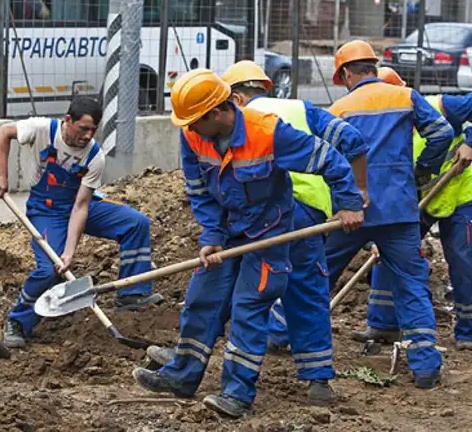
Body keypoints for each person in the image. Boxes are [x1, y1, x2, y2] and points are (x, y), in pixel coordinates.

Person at [133, 69, 364, 418]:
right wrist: (211, 236)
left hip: (271, 232)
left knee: (250, 305)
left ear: (216, 113)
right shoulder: (193, 136)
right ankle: (182, 376)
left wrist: (349, 203)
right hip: (227, 231)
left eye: (195, 121)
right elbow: (199, 192)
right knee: (202, 297)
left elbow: (330, 160)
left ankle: (237, 394)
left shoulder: (269, 133)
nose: (189, 128)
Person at [225, 60, 369, 405]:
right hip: (309, 216)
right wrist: (358, 193)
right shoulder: (300, 109)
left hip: (267, 212)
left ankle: (207, 366)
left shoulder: (240, 123)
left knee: (248, 289)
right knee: (306, 289)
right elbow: (353, 141)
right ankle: (318, 380)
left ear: (236, 97)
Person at [325, 40, 454, 389]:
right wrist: (422, 170)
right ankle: (426, 366)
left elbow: (330, 162)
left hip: (354, 211)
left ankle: (281, 335)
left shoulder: (340, 108)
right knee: (412, 284)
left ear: (347, 73)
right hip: (399, 210)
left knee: (316, 275)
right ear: (373, 65)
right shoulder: (405, 97)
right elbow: (443, 132)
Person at [0, 96, 163, 348]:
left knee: (136, 223)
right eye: (83, 128)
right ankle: (17, 321)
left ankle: (132, 293)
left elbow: (81, 206)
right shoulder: (42, 130)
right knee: (50, 269)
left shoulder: (94, 156)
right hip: (46, 209)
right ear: (67, 120)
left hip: (82, 204)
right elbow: (5, 132)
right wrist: (1, 175)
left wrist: (70, 252)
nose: (88, 135)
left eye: (93, 130)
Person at [355, 67, 472, 351]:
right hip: (413, 203)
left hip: (456, 197)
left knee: (463, 261)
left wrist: (471, 143)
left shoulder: (441, 107)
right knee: (388, 255)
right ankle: (383, 325)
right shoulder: (373, 131)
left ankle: (467, 333)